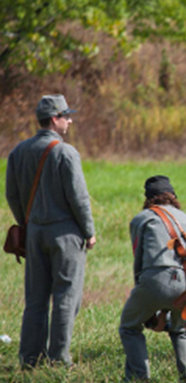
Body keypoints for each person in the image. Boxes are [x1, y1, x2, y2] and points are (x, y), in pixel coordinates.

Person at [5, 94, 96, 369]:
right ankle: (59, 359)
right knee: (66, 298)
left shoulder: (18, 152)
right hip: (66, 234)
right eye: (66, 115)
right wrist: (89, 231)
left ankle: (29, 359)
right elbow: (79, 198)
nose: (69, 120)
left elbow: (12, 195)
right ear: (55, 119)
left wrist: (27, 221)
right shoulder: (65, 152)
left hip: (34, 233)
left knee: (35, 301)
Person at [119, 176, 186, 382]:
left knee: (129, 326)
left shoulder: (142, 218)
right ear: (173, 197)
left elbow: (139, 262)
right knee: (183, 329)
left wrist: (148, 305)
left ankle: (140, 377)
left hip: (154, 279)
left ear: (149, 199)